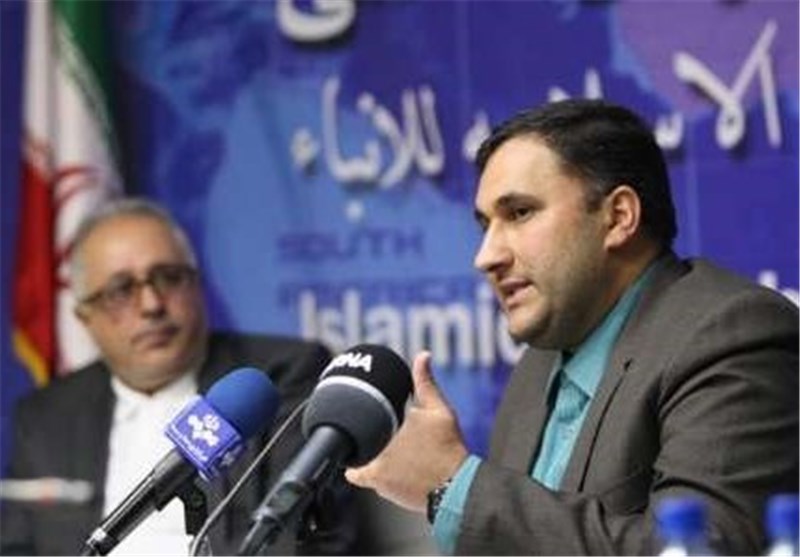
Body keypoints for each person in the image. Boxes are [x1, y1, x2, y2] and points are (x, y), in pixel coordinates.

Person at [345, 99, 799, 555]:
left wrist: (453, 484)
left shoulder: (731, 334)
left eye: (519, 213)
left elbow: (699, 549)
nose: (486, 256)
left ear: (618, 216)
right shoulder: (539, 364)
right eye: (486, 225)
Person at [0, 198, 357, 555]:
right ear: (85, 317)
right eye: (121, 290)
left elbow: (303, 538)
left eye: (169, 277)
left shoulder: (273, 379)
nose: (152, 304)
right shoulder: (46, 415)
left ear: (198, 284)